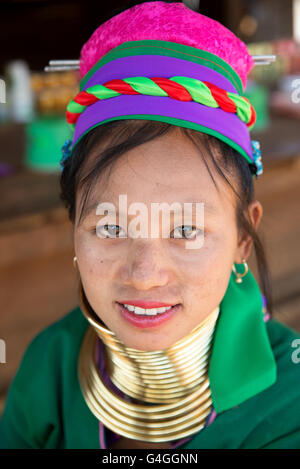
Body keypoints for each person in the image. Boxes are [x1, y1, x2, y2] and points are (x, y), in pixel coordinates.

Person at [1, 0, 300, 449]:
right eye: (111, 228)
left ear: (243, 236)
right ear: (74, 226)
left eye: (186, 231)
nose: (144, 275)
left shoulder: (289, 401)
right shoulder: (50, 363)